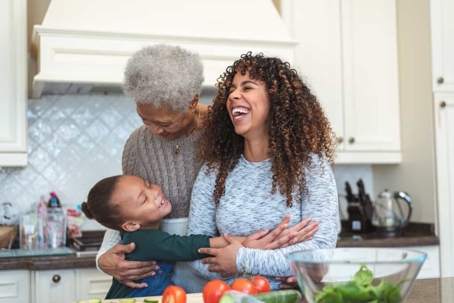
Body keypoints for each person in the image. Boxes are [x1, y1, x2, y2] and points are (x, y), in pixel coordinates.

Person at [96, 44, 319, 292]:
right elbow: (124, 208)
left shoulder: (229, 132)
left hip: (222, 272)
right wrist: (104, 256)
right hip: (164, 276)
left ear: (191, 102)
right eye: (145, 119)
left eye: (165, 122)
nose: (154, 130)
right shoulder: (137, 146)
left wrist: (286, 265)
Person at [187, 52, 340, 290]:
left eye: (247, 87)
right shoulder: (214, 170)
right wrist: (280, 253)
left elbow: (319, 254)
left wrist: (240, 257)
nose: (234, 95)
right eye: (232, 90)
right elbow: (194, 255)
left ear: (276, 99)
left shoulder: (310, 166)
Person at [83, 175, 297, 298]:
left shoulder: (136, 235)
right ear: (130, 224)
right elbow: (192, 246)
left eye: (148, 185)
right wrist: (247, 243)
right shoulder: (145, 240)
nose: (155, 192)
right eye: (144, 199)